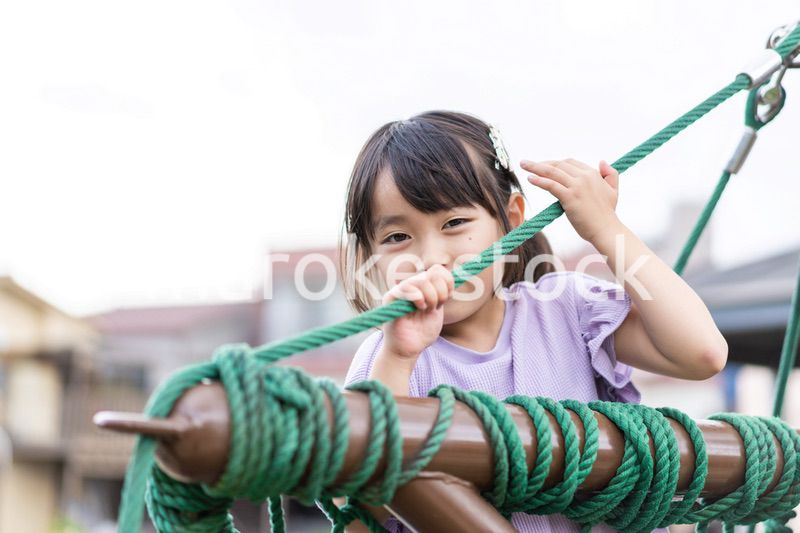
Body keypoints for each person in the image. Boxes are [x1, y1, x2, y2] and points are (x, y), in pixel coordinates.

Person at [335, 110, 728, 532]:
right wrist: (398, 356)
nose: (431, 258)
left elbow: (701, 353)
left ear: (512, 219)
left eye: (454, 223)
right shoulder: (388, 358)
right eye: (397, 237)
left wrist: (604, 227)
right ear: (371, 255)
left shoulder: (565, 309)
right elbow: (359, 513)